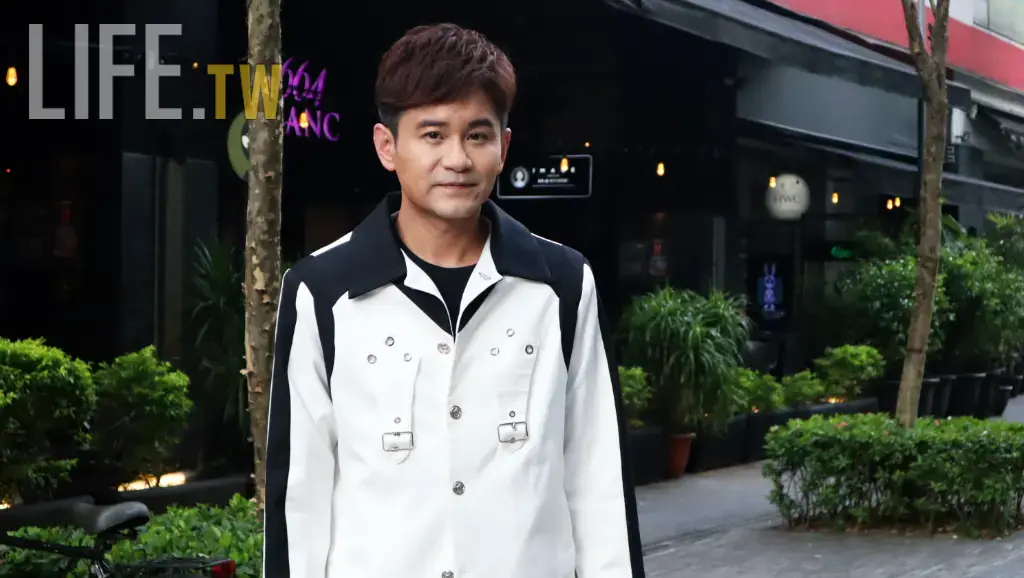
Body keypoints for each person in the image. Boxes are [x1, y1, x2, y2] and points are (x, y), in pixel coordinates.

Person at [263, 23, 644, 578]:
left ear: (503, 148)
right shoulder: (322, 291)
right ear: (388, 147)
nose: (458, 159)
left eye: (477, 135)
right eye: (433, 134)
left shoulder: (561, 285)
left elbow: (599, 480)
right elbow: (299, 501)